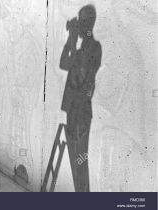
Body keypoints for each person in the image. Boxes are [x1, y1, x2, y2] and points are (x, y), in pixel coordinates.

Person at [59, 5, 102, 192]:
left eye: (83, 20)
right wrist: (70, 39)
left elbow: (80, 76)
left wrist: (74, 40)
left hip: (82, 112)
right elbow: (63, 63)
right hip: (71, 109)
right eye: (80, 20)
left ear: (90, 22)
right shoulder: (80, 46)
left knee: (80, 160)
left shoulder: (94, 47)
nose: (81, 24)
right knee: (74, 159)